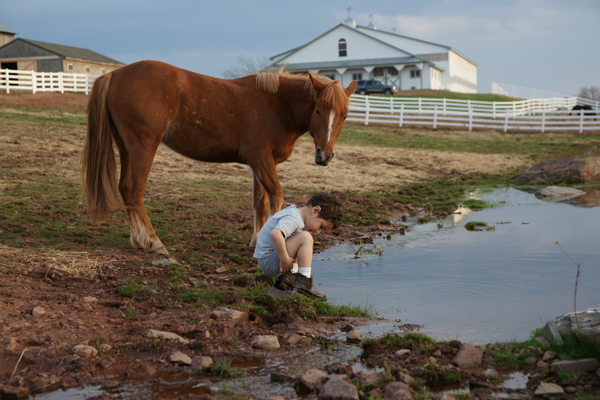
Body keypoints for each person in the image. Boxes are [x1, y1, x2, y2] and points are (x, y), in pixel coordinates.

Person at [253, 192, 343, 299]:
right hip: (268, 261)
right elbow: (276, 234)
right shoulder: (294, 217)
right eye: (321, 226)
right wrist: (284, 259)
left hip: (271, 260)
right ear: (315, 210)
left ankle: (288, 278)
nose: (318, 232)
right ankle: (304, 281)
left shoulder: (297, 216)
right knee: (305, 237)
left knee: (302, 238)